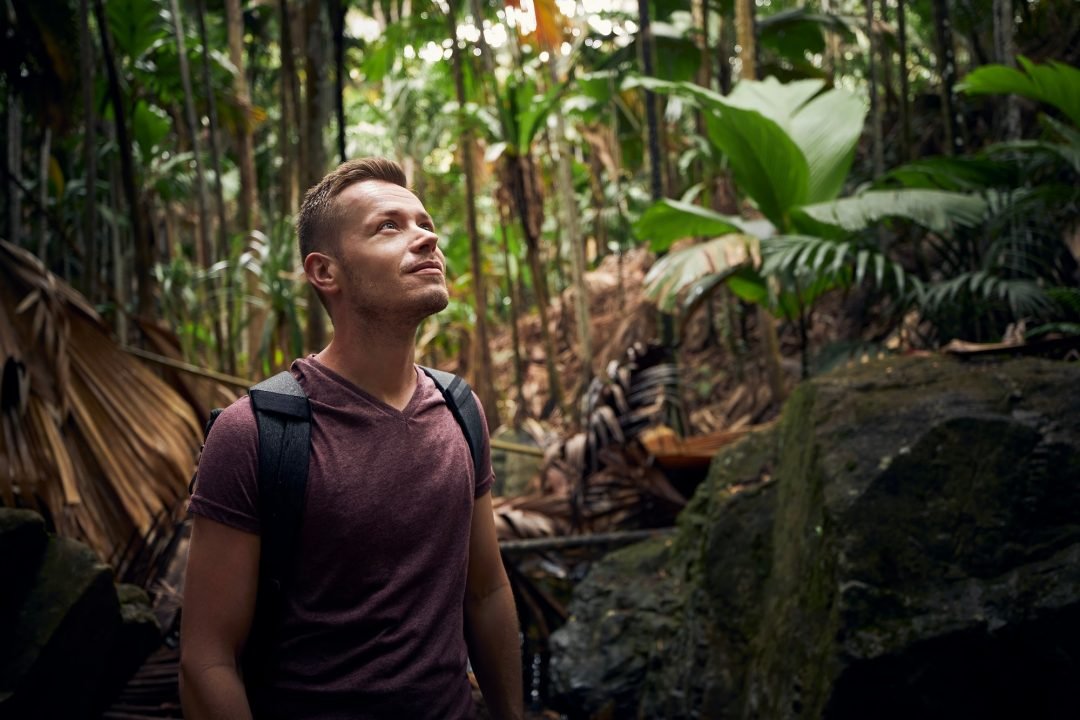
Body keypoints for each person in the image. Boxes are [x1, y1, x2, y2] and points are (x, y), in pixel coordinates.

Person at [179, 158, 523, 720]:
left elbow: (485, 592)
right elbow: (207, 659)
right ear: (325, 272)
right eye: (390, 226)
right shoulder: (255, 433)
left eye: (423, 222)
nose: (427, 236)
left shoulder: (459, 409)